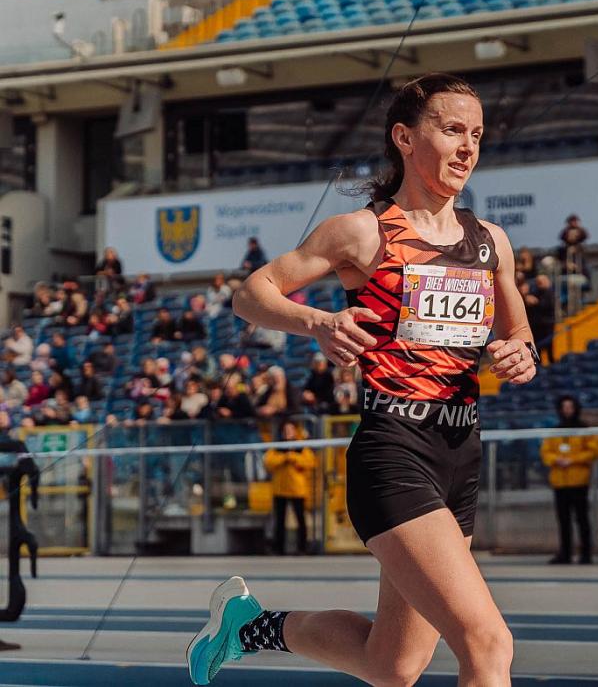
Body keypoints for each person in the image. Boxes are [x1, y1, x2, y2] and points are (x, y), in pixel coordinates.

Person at [188, 73, 537, 687]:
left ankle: (245, 628)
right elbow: (251, 294)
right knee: (488, 646)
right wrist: (319, 322)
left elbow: (520, 335)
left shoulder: (491, 243)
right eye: (452, 130)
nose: (467, 148)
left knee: (392, 664)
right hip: (394, 450)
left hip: (461, 452)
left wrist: (519, 355)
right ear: (405, 136)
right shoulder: (363, 232)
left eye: (477, 135)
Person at [540, 395, 597, 565]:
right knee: (563, 520)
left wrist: (572, 460)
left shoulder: (584, 430)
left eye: (570, 407)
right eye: (564, 407)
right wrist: (556, 460)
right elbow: (546, 452)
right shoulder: (555, 431)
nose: (567, 410)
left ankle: (586, 554)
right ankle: (565, 554)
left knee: (582, 519)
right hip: (560, 482)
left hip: (579, 481)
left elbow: (592, 452)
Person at [263, 420, 316, 555]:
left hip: (297, 489)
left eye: (290, 430)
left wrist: (293, 457)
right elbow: (268, 462)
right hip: (280, 489)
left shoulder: (301, 447)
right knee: (279, 520)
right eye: (285, 430)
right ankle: (278, 548)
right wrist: (284, 458)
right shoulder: (277, 447)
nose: (288, 433)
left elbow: (310, 462)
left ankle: (302, 547)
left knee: (300, 519)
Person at [523, 273, 555, 364]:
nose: (539, 284)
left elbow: (547, 305)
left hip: (547, 324)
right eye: (538, 282)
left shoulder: (549, 292)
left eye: (541, 282)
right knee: (537, 348)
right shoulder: (535, 291)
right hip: (537, 324)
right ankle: (539, 364)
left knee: (549, 346)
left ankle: (551, 363)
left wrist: (535, 302)